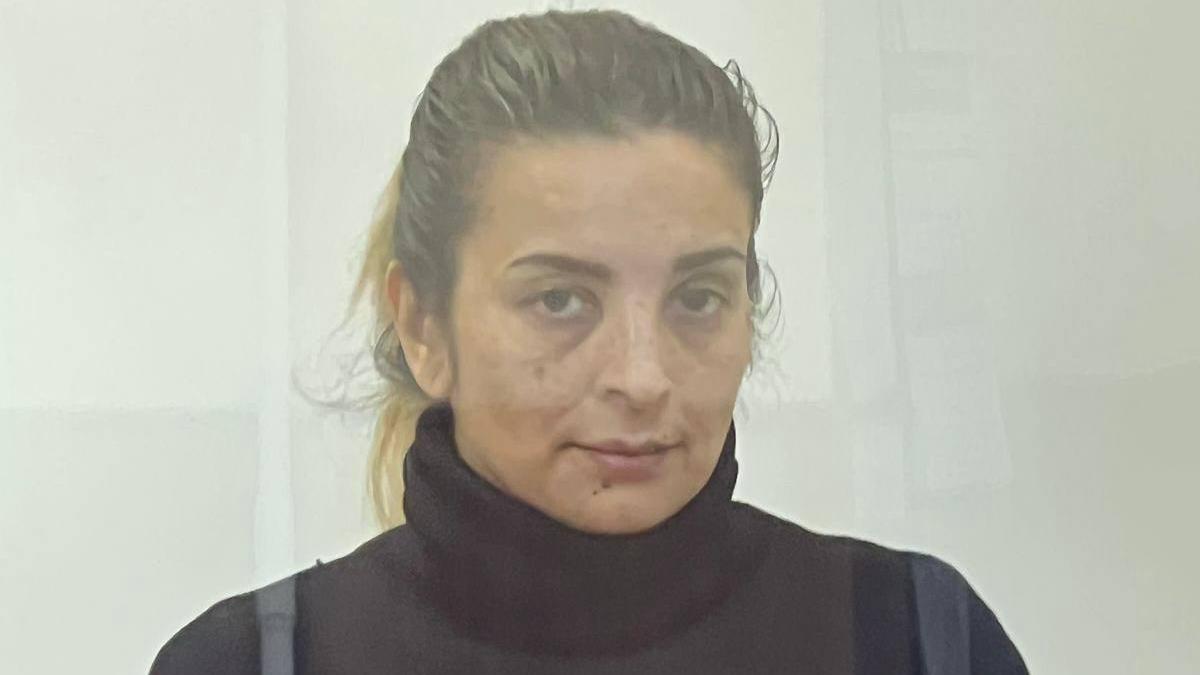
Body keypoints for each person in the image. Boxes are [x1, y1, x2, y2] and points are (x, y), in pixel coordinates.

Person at [150, 8, 1028, 673]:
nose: (643, 377)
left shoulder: (909, 638)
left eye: (698, 297)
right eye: (561, 299)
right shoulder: (254, 662)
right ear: (423, 327)